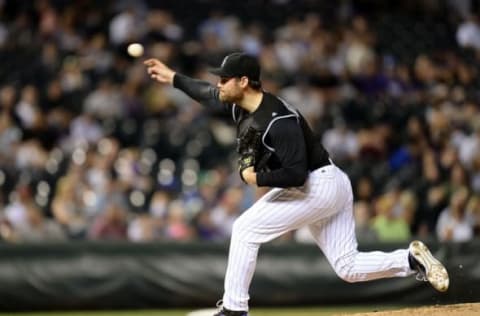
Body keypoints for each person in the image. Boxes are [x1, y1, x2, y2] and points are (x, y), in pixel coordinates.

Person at [144, 52, 449, 316]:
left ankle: (235, 309)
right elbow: (205, 94)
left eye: (225, 79)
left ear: (244, 81)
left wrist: (255, 178)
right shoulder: (240, 106)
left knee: (244, 229)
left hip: (317, 184)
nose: (219, 84)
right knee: (348, 267)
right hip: (327, 185)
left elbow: (296, 174)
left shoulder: (278, 120)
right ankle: (411, 259)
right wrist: (173, 77)